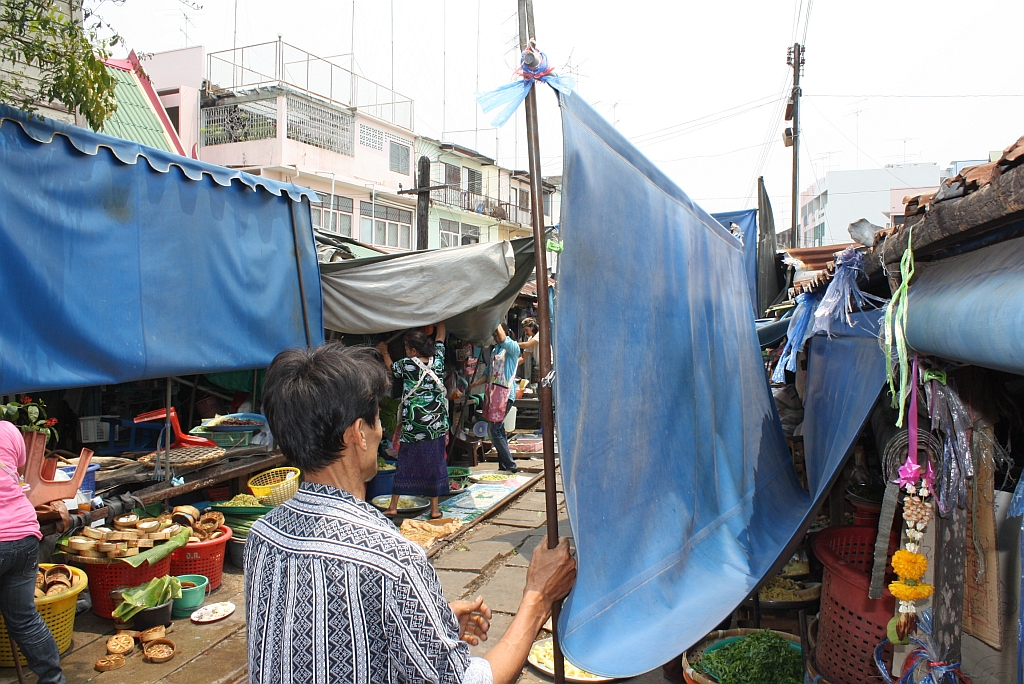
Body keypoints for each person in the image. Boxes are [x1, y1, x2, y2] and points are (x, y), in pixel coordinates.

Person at [246, 343, 576, 684]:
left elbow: (315, 637)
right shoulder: (391, 557)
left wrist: (435, 619)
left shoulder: (262, 536)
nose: (381, 431)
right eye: (376, 419)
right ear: (359, 433)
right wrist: (538, 597)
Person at [0, 421, 66, 684]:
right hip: (23, 533)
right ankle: (53, 679)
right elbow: (17, 470)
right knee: (24, 619)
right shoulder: (7, 429)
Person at [377, 323, 449, 519]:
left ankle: (393, 506)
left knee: (406, 463)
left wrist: (384, 351)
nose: (406, 352)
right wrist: (441, 316)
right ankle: (434, 510)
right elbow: (441, 335)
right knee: (435, 463)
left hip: (413, 425)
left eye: (407, 349)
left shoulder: (407, 365)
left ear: (414, 350)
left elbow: (391, 368)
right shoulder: (439, 359)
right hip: (435, 425)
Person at [477, 325, 520, 473]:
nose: (495, 338)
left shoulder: (512, 349)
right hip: (493, 395)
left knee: (493, 430)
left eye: (496, 335)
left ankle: (510, 465)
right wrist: (474, 384)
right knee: (499, 430)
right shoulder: (495, 351)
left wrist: (496, 320)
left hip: (505, 395)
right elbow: (487, 373)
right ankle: (504, 465)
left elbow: (503, 339)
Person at [517, 318, 540, 383]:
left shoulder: (540, 334)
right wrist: (512, 364)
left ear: (532, 327)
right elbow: (523, 358)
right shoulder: (531, 338)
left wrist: (513, 344)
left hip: (548, 366)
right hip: (539, 368)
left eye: (526, 330)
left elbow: (527, 345)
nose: (526, 333)